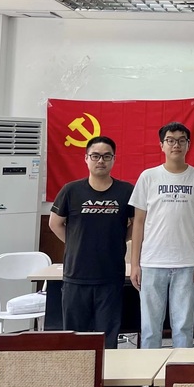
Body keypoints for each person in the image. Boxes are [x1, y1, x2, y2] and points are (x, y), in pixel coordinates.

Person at [129, 122, 194, 348]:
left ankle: (180, 370)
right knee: (149, 329)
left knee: (183, 328)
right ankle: (149, 369)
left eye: (181, 140)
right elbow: (138, 222)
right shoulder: (148, 177)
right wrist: (135, 264)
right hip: (152, 263)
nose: (176, 145)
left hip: (187, 263)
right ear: (162, 145)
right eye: (171, 140)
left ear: (188, 145)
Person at [48, 136, 134, 349]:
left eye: (106, 156)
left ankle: (107, 370)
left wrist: (117, 239)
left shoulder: (126, 191)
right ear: (86, 158)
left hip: (110, 276)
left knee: (108, 340)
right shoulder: (71, 190)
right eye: (95, 156)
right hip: (76, 276)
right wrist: (77, 242)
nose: (100, 161)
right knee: (75, 340)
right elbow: (55, 223)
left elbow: (137, 224)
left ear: (114, 159)